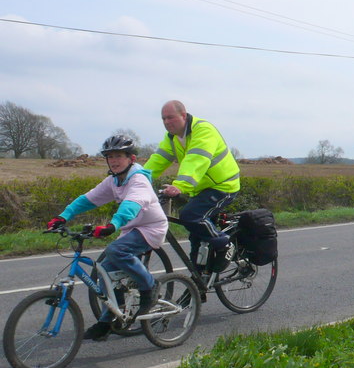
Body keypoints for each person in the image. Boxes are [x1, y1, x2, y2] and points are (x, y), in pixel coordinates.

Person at [47, 135, 168, 341]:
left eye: (119, 156)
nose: (114, 160)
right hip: (131, 229)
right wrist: (63, 216)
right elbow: (88, 199)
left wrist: (112, 225)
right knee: (105, 273)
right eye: (110, 156)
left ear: (131, 158)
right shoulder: (114, 180)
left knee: (115, 250)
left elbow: (132, 204)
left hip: (150, 228)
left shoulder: (138, 178)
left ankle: (149, 285)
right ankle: (108, 320)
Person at [143, 100, 240, 274]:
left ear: (183, 115)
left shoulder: (203, 130)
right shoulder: (172, 138)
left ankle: (224, 243)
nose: (166, 122)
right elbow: (158, 160)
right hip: (202, 189)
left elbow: (196, 159)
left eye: (170, 117)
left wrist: (180, 186)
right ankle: (197, 288)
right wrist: (136, 179)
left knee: (190, 216)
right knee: (196, 240)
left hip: (223, 186)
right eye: (163, 119)